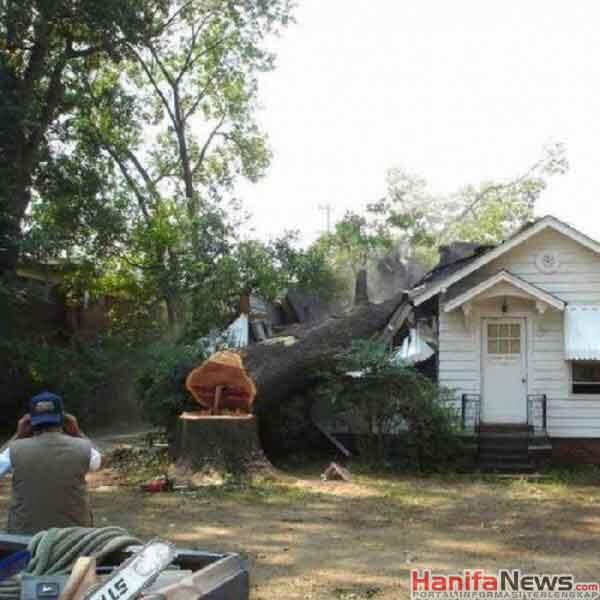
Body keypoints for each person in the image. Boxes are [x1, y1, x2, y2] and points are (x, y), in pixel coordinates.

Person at [0, 391, 102, 534]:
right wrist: (78, 432)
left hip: (24, 536)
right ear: (63, 420)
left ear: (30, 422)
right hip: (75, 536)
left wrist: (17, 435)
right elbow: (98, 462)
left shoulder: (14, 449)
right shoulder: (83, 447)